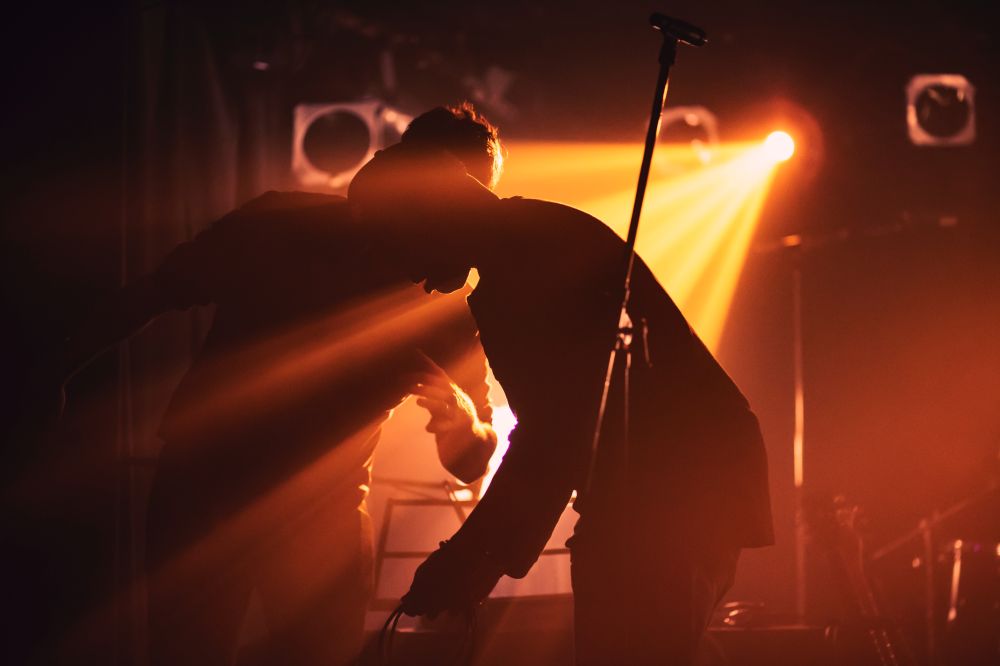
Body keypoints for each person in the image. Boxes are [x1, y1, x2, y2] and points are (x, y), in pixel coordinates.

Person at [53, 105, 502, 665]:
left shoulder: (449, 306)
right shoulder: (280, 223)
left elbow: (471, 462)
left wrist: (463, 418)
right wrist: (58, 369)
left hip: (305, 516)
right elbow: (156, 291)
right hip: (206, 492)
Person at [349, 137, 775, 665]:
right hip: (669, 489)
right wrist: (480, 555)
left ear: (425, 211)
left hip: (671, 492)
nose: (410, 273)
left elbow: (556, 433)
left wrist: (473, 556)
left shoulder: (528, 266)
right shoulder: (533, 242)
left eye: (397, 243)